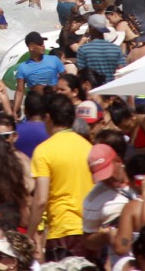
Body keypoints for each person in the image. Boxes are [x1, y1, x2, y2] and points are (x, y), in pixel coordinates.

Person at [29, 94, 93, 261]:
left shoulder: (44, 151)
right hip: (90, 230)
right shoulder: (88, 146)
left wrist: (30, 233)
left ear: (48, 118)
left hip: (63, 231)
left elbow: (41, 199)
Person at [75, 15, 124, 84]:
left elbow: (81, 73)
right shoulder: (116, 49)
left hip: (94, 90)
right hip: (112, 87)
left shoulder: (83, 50)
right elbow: (122, 70)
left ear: (90, 28)